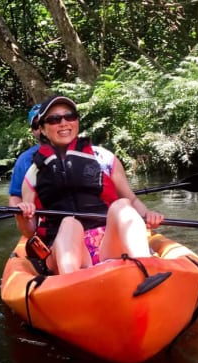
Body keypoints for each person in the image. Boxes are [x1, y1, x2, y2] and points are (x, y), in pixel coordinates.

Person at [14, 95, 165, 275]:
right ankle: (72, 283)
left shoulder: (105, 159)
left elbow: (130, 198)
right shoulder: (33, 173)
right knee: (69, 222)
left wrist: (147, 215)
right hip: (64, 247)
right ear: (43, 129)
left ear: (76, 121)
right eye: (54, 119)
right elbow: (29, 231)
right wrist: (22, 215)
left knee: (122, 205)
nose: (63, 123)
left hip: (106, 244)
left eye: (69, 116)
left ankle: (146, 268)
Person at [8, 104, 42, 210]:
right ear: (32, 131)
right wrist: (20, 209)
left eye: (46, 122)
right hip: (42, 218)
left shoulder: (84, 152)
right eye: (37, 125)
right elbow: (15, 196)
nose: (41, 128)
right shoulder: (25, 159)